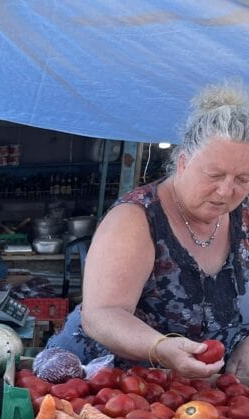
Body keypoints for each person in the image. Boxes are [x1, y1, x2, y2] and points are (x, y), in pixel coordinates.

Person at [49, 84, 249, 378]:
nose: (226, 190)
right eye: (215, 175)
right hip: (107, 387)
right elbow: (102, 314)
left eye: (243, 178)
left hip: (200, 394)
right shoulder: (135, 218)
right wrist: (160, 347)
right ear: (182, 163)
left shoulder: (243, 216)